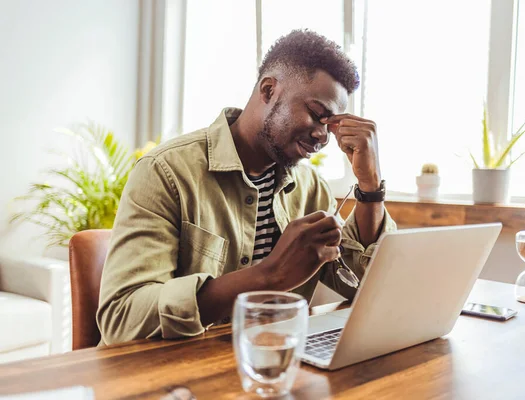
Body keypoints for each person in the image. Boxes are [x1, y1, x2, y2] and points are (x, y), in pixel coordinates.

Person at [97, 29, 397, 344]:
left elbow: (368, 286)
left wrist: (370, 186)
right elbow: (122, 319)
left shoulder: (312, 191)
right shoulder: (166, 173)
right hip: (169, 378)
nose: (323, 138)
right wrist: (268, 276)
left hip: (269, 367)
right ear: (269, 89)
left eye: (331, 126)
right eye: (317, 115)